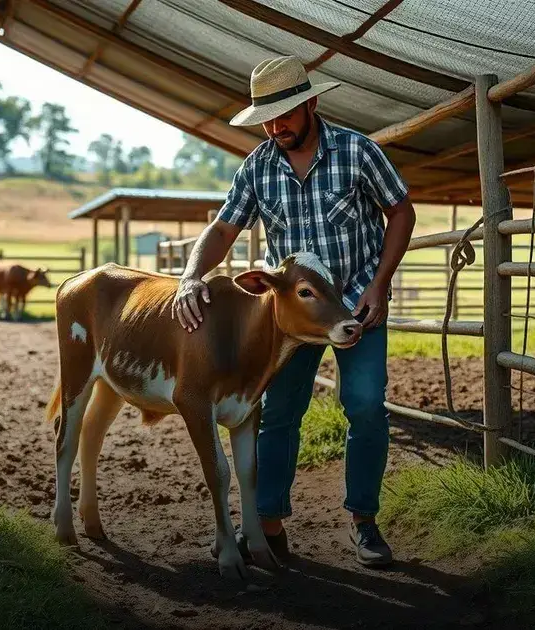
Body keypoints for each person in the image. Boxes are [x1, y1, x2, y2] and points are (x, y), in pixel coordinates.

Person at [172, 55, 416, 568]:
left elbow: (400, 210)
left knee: (366, 405)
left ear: (311, 104)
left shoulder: (357, 151)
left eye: (284, 114)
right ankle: (269, 525)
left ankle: (363, 522)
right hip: (290, 317)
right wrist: (191, 273)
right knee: (279, 413)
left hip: (356, 304)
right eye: (266, 117)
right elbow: (222, 230)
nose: (274, 126)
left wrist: (380, 282)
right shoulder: (258, 165)